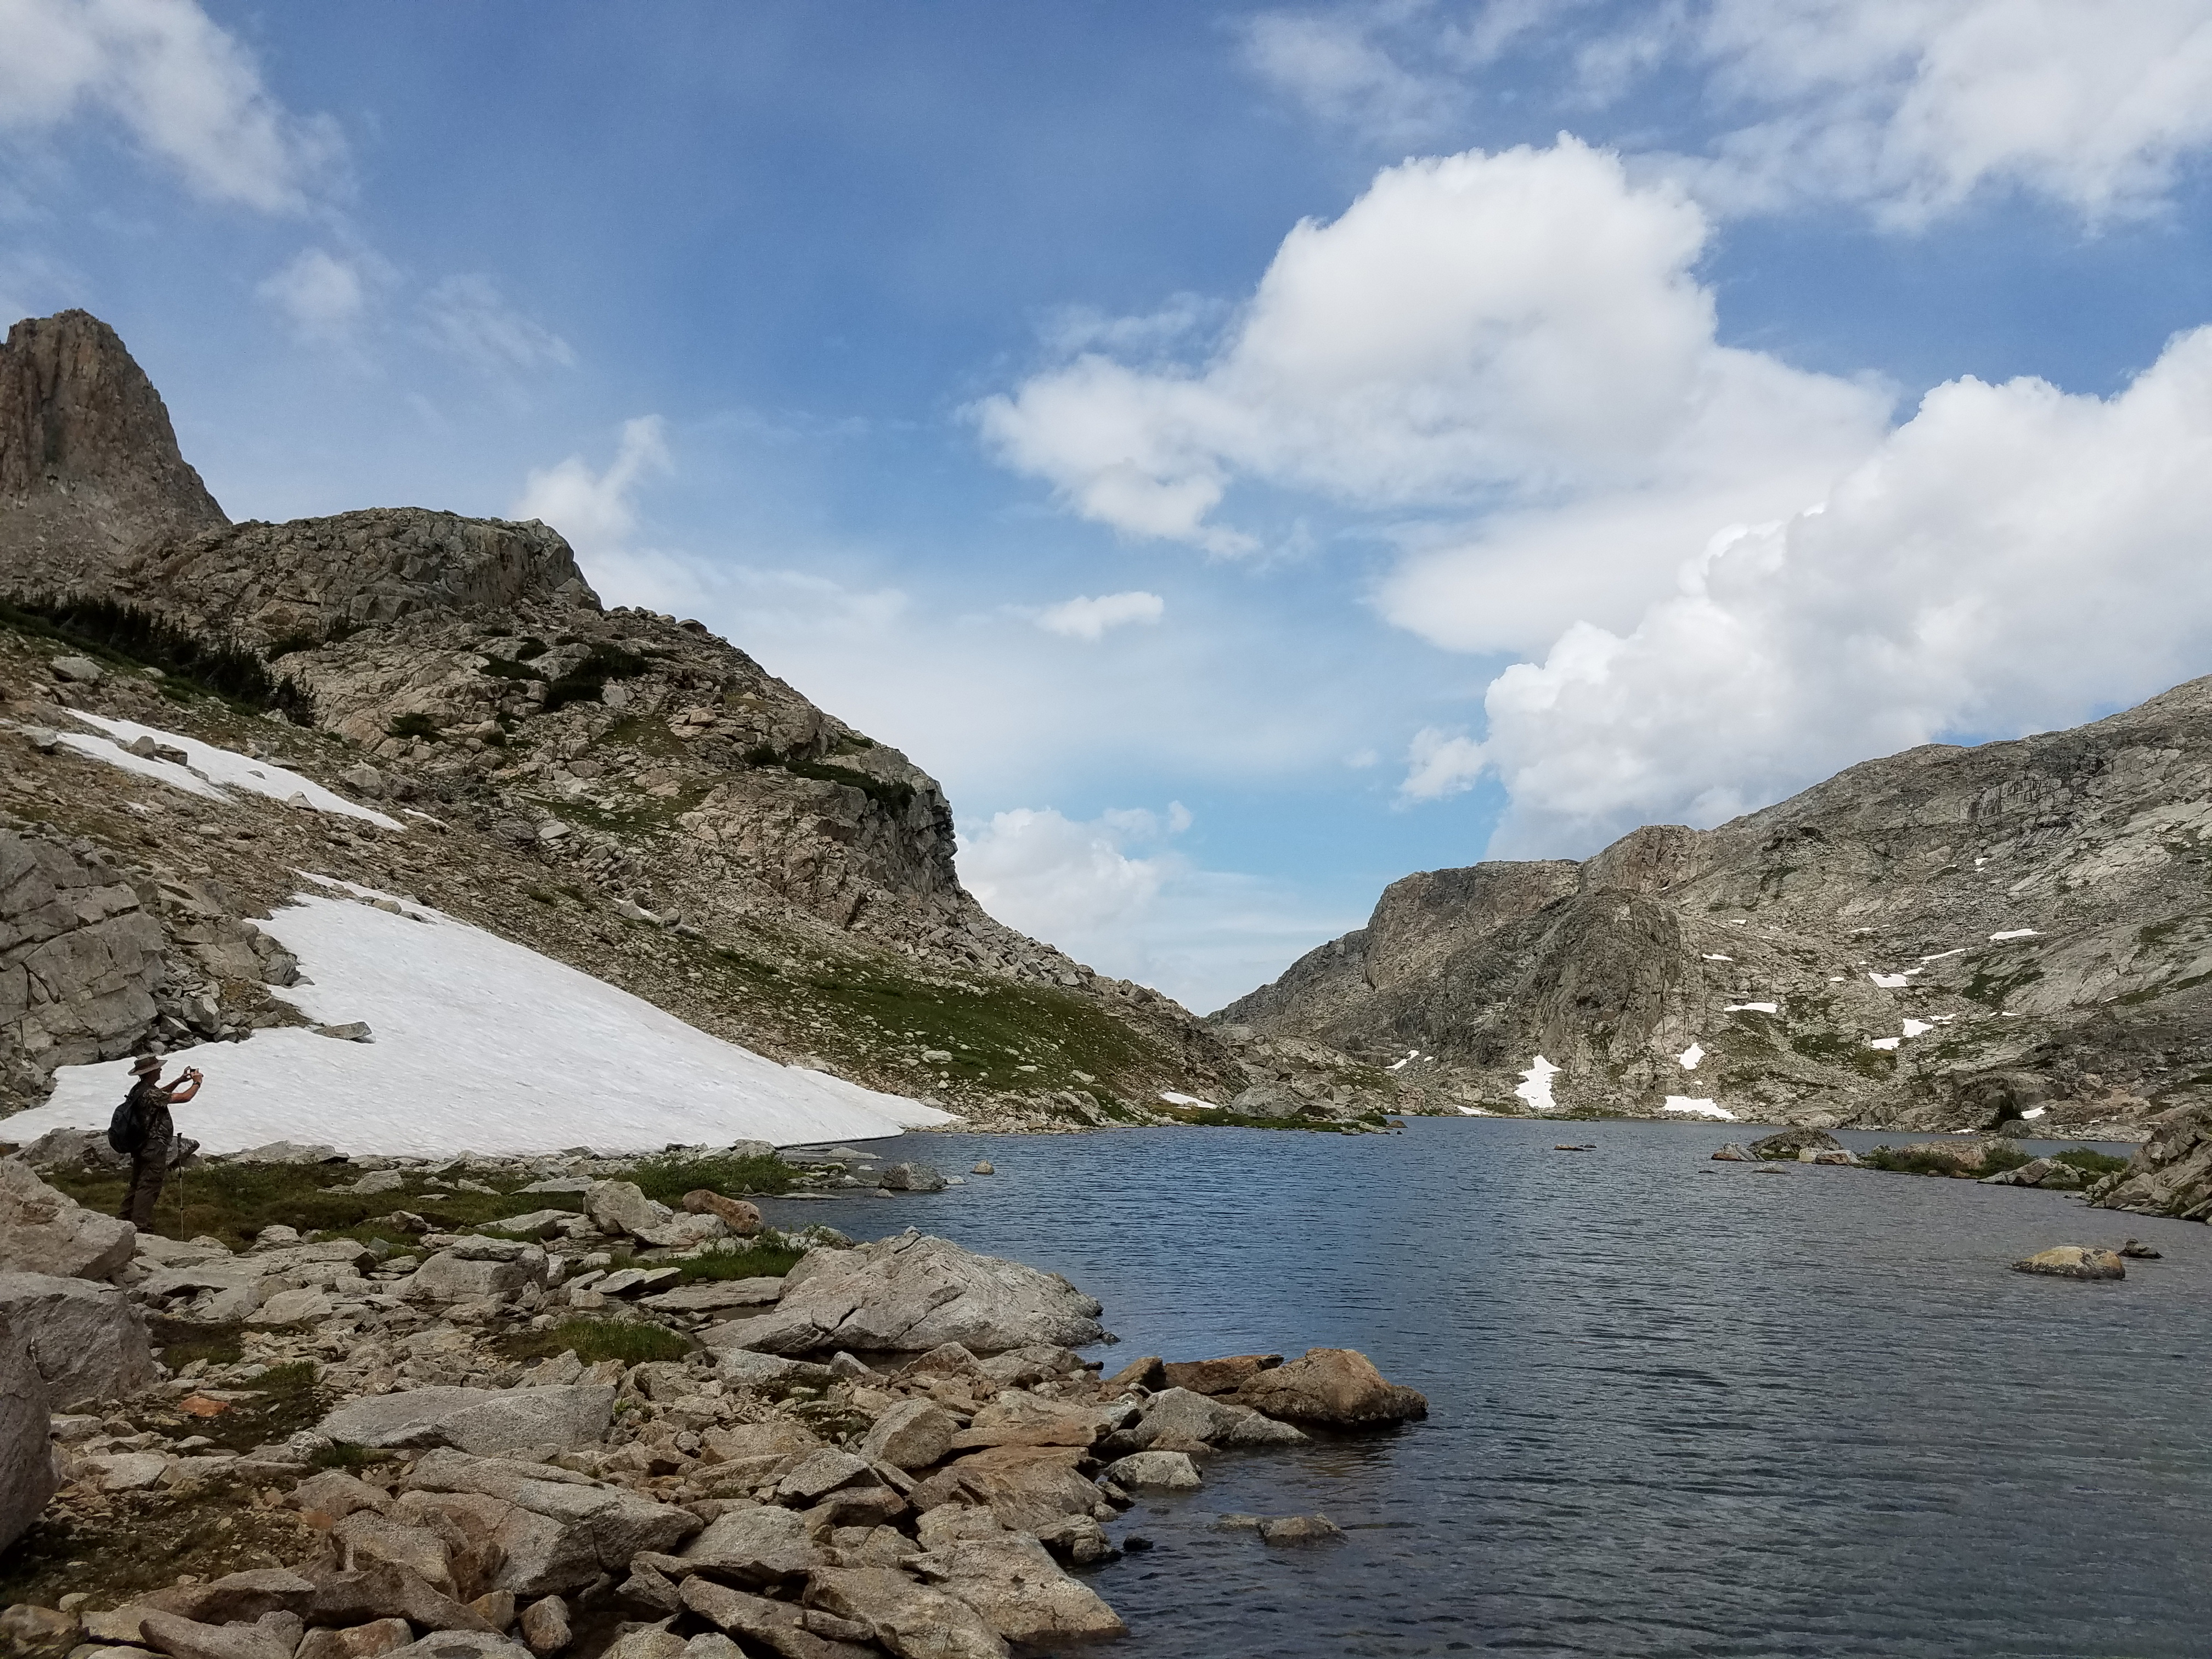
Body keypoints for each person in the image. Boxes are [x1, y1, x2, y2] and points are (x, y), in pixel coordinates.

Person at [117, 1053, 202, 1228]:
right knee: (149, 1184)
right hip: (153, 1146)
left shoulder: (140, 1089)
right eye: (158, 1068)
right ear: (151, 1072)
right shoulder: (150, 1093)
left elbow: (160, 1094)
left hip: (141, 1144)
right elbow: (185, 1098)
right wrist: (197, 1082)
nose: (161, 1070)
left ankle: (124, 1218)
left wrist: (179, 1080)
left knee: (137, 1183)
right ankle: (140, 1224)